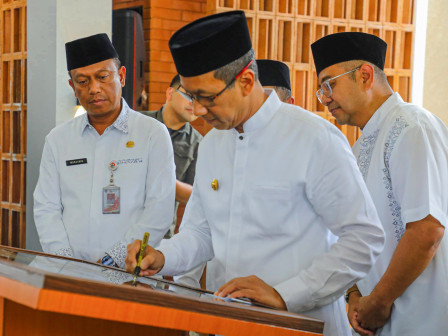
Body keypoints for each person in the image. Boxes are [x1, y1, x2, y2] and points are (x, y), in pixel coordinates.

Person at [125, 11, 385, 336]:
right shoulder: (213, 145)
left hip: (298, 324)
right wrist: (162, 255)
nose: (200, 111)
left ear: (246, 81)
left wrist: (285, 294)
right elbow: (202, 233)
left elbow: (364, 238)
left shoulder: (313, 138)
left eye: (208, 98)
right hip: (226, 324)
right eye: (193, 97)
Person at [311, 32, 448, 336]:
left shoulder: (412, 127)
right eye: (322, 90)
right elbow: (356, 235)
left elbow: (427, 229)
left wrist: (381, 300)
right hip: (375, 320)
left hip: (422, 318)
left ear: (365, 75)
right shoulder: (359, 148)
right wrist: (355, 295)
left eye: (329, 84)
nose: (325, 98)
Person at [34, 33, 176, 268]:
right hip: (68, 272)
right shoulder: (58, 139)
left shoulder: (152, 133)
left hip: (128, 271)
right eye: (82, 81)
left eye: (102, 77)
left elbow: (159, 209)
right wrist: (65, 262)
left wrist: (114, 260)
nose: (94, 88)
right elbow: (46, 207)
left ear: (121, 76)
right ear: (72, 86)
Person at [141, 74, 203, 238]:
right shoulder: (139, 123)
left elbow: (195, 195)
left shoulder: (198, 143)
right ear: (170, 93)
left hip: (160, 234)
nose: (194, 103)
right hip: (121, 223)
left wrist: (162, 183)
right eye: (190, 96)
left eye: (202, 98)